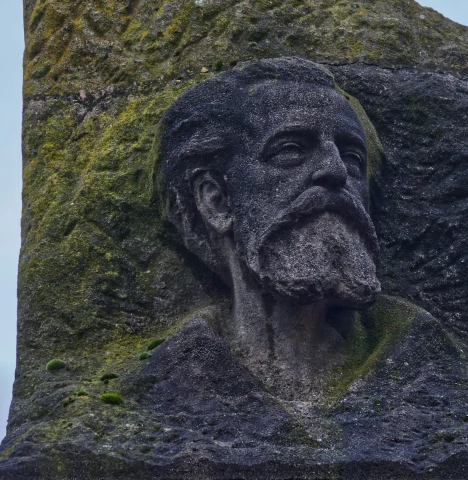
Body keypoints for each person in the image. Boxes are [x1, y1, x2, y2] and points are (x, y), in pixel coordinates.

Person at [157, 57, 393, 400]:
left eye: (352, 157)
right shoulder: (159, 392)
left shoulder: (438, 375)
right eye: (291, 150)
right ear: (217, 201)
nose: (336, 170)